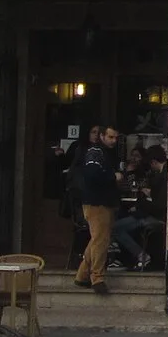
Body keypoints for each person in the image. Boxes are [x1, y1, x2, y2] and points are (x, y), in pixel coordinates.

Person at [72, 124, 122, 295]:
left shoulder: (104, 153)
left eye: (116, 137)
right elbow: (92, 174)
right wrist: (112, 176)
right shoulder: (96, 152)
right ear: (102, 136)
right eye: (110, 137)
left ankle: (82, 275)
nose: (114, 141)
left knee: (97, 239)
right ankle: (97, 278)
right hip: (96, 202)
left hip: (102, 202)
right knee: (100, 241)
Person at [113, 144, 160, 270]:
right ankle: (122, 256)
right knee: (117, 220)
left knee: (117, 227)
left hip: (145, 212)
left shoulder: (148, 174)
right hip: (133, 209)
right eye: (132, 156)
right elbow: (122, 188)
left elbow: (141, 189)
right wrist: (128, 172)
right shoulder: (127, 172)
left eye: (137, 156)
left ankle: (135, 256)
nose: (134, 159)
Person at [61, 125, 101, 269]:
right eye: (93, 132)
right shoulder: (82, 154)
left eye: (98, 133)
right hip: (84, 207)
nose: (96, 136)